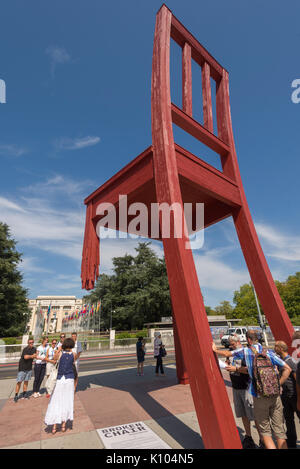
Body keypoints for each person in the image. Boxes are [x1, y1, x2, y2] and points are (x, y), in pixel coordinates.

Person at [213, 330, 291, 449]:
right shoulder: (269, 352)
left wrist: (215, 349)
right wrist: (278, 384)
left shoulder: (245, 351)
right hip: (275, 395)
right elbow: (287, 369)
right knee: (280, 432)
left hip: (259, 395)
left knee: (265, 432)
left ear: (248, 340)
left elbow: (227, 354)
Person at [225, 335, 259, 449]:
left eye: (233, 344)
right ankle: (248, 437)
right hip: (236, 388)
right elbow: (228, 360)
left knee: (253, 415)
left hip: (246, 388)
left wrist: (235, 369)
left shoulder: (245, 352)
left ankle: (262, 439)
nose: (231, 346)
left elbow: (250, 369)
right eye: (230, 344)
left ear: (239, 342)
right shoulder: (231, 353)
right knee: (243, 414)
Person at [44, 337, 77, 434]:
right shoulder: (74, 355)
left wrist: (59, 349)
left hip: (60, 379)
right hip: (69, 379)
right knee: (67, 401)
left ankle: (54, 426)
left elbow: (54, 359)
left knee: (56, 401)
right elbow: (73, 362)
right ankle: (63, 425)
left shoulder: (59, 354)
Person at [274, 340, 300, 448]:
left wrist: (299, 399)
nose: (274, 348)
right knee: (289, 420)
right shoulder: (282, 361)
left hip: (294, 395)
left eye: (276, 347)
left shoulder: (290, 361)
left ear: (280, 349)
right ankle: (291, 442)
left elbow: (297, 380)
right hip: (285, 396)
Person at [14, 338, 37, 402]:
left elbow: (35, 355)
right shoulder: (25, 349)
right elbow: (25, 357)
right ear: (28, 343)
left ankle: (24, 393)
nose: (31, 343)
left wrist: (34, 355)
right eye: (30, 342)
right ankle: (16, 395)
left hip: (29, 367)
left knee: (26, 381)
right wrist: (32, 356)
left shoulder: (34, 349)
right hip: (22, 368)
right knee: (19, 381)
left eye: (32, 342)